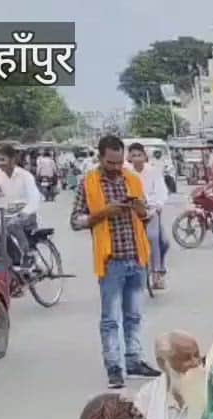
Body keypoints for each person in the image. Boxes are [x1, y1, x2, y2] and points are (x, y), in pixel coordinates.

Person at [71, 135, 159, 389]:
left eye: (120, 162)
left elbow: (145, 216)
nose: (116, 167)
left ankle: (133, 360)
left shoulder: (132, 179)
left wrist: (141, 209)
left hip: (136, 256)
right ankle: (113, 366)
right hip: (110, 261)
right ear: (100, 158)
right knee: (110, 318)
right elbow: (75, 220)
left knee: (133, 315)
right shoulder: (87, 183)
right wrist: (102, 214)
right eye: (111, 162)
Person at [127, 143, 171, 291]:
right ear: (129, 157)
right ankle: (141, 274)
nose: (137, 158)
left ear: (145, 156)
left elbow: (162, 191)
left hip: (152, 210)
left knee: (160, 240)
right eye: (133, 155)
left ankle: (158, 272)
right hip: (133, 212)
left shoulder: (153, 171)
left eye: (139, 155)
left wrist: (157, 205)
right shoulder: (127, 173)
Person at [0, 144, 42, 267]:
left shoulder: (25, 176)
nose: (0, 163)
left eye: (3, 160)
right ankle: (14, 259)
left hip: (26, 215)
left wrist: (24, 213)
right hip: (5, 215)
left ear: (13, 160)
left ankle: (27, 254)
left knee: (13, 224)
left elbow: (35, 198)